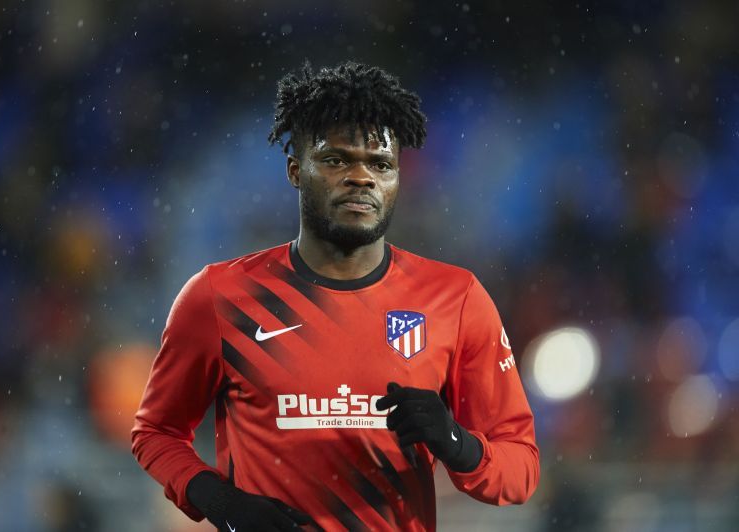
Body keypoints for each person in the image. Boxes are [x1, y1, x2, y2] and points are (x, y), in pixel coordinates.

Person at [131, 60, 539, 531]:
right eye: (336, 159)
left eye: (380, 164)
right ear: (295, 171)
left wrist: (455, 441)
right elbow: (156, 432)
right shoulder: (218, 296)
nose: (361, 177)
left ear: (397, 179)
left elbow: (520, 470)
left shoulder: (456, 298)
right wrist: (223, 505)